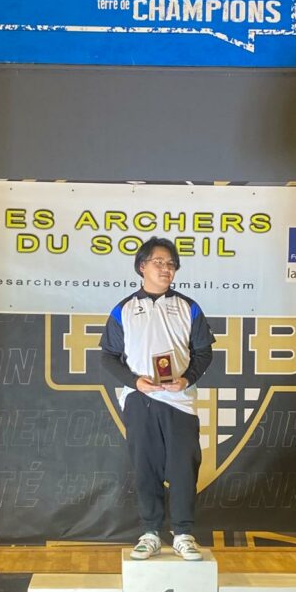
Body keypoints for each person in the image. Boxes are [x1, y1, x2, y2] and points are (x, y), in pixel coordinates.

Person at [100, 236, 214, 561]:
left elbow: (204, 352)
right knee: (145, 467)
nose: (166, 269)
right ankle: (150, 533)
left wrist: (186, 379)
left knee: (183, 469)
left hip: (180, 401)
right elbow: (108, 356)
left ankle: (183, 534)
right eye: (159, 262)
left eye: (171, 264)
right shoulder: (123, 309)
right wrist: (135, 382)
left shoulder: (188, 307)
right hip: (140, 401)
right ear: (142, 267)